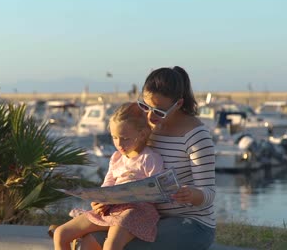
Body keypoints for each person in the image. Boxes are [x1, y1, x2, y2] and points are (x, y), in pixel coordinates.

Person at [87, 66, 216, 250]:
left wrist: (192, 194)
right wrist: (105, 198)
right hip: (145, 214)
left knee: (120, 245)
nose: (150, 115)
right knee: (90, 237)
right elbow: (127, 165)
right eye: (145, 106)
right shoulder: (146, 127)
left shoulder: (196, 136)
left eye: (159, 111)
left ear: (178, 104)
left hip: (191, 223)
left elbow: (209, 194)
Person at [53, 102, 165, 250]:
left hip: (136, 212)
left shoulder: (149, 158)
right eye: (114, 137)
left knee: (111, 245)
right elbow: (108, 184)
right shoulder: (116, 157)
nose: (119, 143)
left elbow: (157, 192)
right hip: (112, 207)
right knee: (60, 233)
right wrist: (99, 200)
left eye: (125, 138)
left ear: (142, 134)